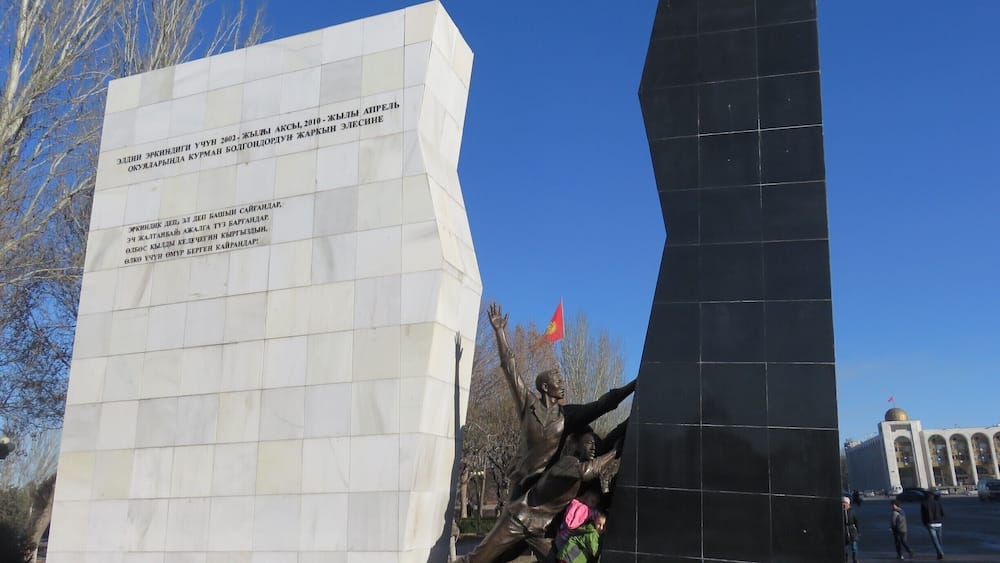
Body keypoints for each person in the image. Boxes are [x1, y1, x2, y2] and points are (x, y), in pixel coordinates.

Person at [487, 302, 636, 500]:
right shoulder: (528, 404)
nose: (562, 384)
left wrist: (634, 385)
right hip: (521, 484)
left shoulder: (567, 416)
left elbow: (602, 405)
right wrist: (500, 333)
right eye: (557, 381)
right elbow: (509, 367)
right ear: (545, 387)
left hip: (546, 486)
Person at [454, 423, 626, 563]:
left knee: (556, 558)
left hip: (537, 528)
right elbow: (589, 470)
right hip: (520, 519)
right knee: (481, 558)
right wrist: (614, 452)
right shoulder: (569, 463)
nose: (594, 448)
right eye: (589, 444)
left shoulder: (586, 478)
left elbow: (606, 443)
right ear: (577, 445)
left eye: (596, 445)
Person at [920, 490, 946, 559]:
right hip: (939, 523)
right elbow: (942, 513)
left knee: (935, 540)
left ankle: (940, 553)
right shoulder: (937, 502)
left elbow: (923, 515)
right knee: (940, 539)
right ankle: (940, 552)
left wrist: (924, 523)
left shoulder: (924, 503)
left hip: (930, 523)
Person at [843, 496, 861, 563]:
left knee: (854, 548)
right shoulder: (840, 512)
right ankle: (845, 560)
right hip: (844, 531)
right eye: (843, 503)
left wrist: (858, 532)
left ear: (848, 504)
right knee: (845, 549)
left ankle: (855, 560)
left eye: (845, 503)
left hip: (852, 531)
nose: (844, 504)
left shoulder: (852, 511)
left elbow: (856, 522)